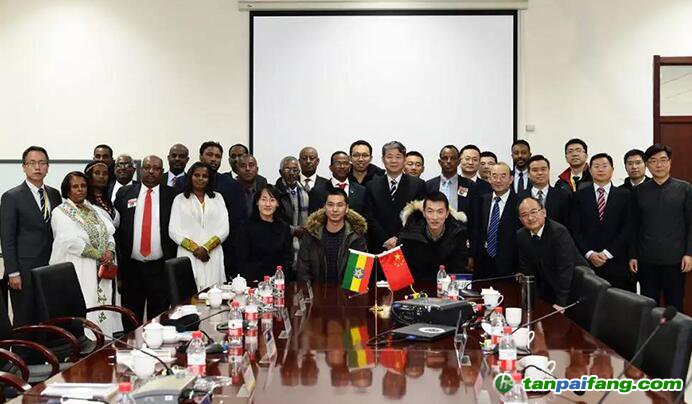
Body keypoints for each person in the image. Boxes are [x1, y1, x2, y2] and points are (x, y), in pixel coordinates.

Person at [50, 171, 121, 336]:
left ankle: (104, 339)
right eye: (75, 186)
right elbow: (69, 241)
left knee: (102, 304)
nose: (80, 189)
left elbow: (109, 232)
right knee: (86, 303)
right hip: (79, 268)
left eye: (83, 186)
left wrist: (110, 250)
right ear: (67, 190)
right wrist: (99, 255)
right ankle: (86, 342)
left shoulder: (94, 209)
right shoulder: (60, 212)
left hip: (101, 269)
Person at [0, 146, 62, 325]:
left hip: (50, 266)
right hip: (23, 270)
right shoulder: (11, 197)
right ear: (24, 166)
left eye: (42, 163)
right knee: (25, 318)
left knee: (48, 317)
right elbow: (7, 237)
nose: (37, 167)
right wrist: (13, 272)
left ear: (48, 167)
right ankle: (22, 346)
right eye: (32, 163)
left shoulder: (54, 194)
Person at [114, 155, 177, 324]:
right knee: (130, 319)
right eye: (147, 167)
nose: (151, 171)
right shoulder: (125, 193)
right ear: (140, 170)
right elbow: (116, 229)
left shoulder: (172, 195)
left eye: (156, 168)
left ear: (162, 172)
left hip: (160, 269)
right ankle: (130, 342)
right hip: (131, 268)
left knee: (158, 319)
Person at [630, 144, 692, 311]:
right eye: (653, 161)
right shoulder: (639, 191)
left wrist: (689, 253)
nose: (659, 165)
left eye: (663, 160)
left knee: (675, 306)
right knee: (649, 306)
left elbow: (690, 224)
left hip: (676, 259)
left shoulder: (685, 188)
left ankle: (675, 330)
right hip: (647, 259)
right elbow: (634, 226)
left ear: (670, 162)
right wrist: (633, 255)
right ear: (647, 165)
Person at [571, 153, 634, 292]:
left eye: (605, 166)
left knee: (619, 302)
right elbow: (575, 229)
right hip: (587, 264)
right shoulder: (578, 196)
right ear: (590, 170)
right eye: (596, 166)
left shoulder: (625, 195)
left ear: (612, 169)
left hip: (617, 262)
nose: (600, 169)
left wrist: (607, 253)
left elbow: (628, 228)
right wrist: (590, 253)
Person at [517, 197, 586, 309]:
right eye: (524, 215)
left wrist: (561, 302)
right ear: (521, 220)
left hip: (573, 288)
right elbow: (527, 269)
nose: (530, 218)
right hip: (548, 287)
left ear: (544, 212)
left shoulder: (558, 232)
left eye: (533, 212)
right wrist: (531, 299)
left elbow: (565, 269)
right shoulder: (521, 235)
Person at [169, 162, 229, 290]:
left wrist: (206, 248)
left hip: (212, 254)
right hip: (188, 253)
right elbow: (173, 231)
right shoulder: (180, 199)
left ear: (209, 179)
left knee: (214, 293)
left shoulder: (218, 198)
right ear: (190, 176)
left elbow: (224, 228)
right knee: (189, 293)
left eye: (205, 176)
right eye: (196, 175)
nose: (200, 178)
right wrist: (196, 249)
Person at [363, 141, 427, 252]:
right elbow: (369, 216)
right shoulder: (372, 185)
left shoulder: (418, 185)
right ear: (383, 159)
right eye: (389, 157)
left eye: (398, 157)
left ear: (404, 159)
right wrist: (385, 239)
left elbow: (418, 217)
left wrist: (398, 238)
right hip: (379, 245)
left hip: (408, 245)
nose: (393, 161)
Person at [296, 188, 368, 284]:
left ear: (347, 208)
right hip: (316, 292)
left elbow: (358, 276)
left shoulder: (356, 237)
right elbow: (303, 272)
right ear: (324, 208)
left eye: (340, 205)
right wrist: (311, 292)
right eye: (330, 205)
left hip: (345, 292)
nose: (335, 209)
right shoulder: (311, 234)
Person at [199, 141, 245, 276]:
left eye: (218, 156)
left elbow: (237, 222)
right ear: (201, 157)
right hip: (192, 248)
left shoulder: (231, 185)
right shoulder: (186, 183)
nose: (214, 159)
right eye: (209, 155)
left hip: (223, 249)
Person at [399, 191, 469, 281]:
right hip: (418, 285)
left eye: (440, 212)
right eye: (430, 211)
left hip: (446, 285)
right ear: (424, 213)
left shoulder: (458, 233)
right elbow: (404, 270)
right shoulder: (410, 233)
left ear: (447, 214)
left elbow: (458, 269)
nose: (435, 217)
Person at [470, 163, 520, 278]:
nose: (498, 180)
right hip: (483, 262)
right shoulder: (481, 200)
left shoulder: (519, 202)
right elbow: (475, 230)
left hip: (509, 263)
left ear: (511, 179)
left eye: (503, 176)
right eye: (494, 176)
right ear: (489, 178)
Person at [237, 185, 293, 281]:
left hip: (277, 281)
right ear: (257, 202)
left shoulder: (284, 228)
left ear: (277, 203)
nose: (268, 204)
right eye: (263, 199)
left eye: (272, 200)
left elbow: (287, 258)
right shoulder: (246, 227)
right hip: (253, 281)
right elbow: (242, 260)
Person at [517, 155, 570, 227]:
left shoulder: (563, 196)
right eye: (535, 170)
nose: (540, 173)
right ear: (528, 174)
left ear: (548, 171)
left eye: (543, 169)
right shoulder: (519, 197)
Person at [275, 156, 309, 259]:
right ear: (280, 172)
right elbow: (274, 221)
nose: (291, 173)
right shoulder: (275, 194)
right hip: (282, 244)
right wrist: (293, 230)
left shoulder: (306, 192)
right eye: (287, 169)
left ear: (299, 172)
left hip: (304, 243)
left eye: (295, 169)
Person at [426, 145, 474, 216]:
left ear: (458, 162)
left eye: (453, 158)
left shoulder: (470, 185)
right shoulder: (429, 185)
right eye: (445, 158)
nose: (448, 161)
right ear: (440, 162)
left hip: (461, 223)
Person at [85, 160, 119, 227]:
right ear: (89, 176)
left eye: (105, 173)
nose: (101, 176)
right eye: (97, 173)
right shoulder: (84, 201)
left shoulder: (108, 200)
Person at [235, 154, 268, 219]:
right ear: (237, 170)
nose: (247, 169)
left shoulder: (264, 190)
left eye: (251, 165)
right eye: (243, 166)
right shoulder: (230, 191)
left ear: (257, 169)